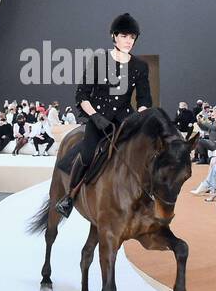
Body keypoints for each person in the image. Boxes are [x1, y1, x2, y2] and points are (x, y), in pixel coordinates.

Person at [55, 12, 153, 218]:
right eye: (125, 36)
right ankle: (70, 197)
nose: (129, 41)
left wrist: (141, 117)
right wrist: (95, 116)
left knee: (146, 153)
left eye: (132, 37)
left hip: (126, 120)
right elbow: (82, 94)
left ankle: (147, 196)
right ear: (114, 37)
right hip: (98, 119)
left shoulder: (140, 66)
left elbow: (144, 100)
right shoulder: (98, 61)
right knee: (89, 154)